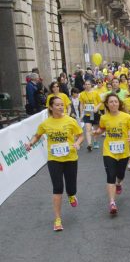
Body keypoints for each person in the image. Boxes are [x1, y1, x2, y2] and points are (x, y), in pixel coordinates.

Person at [24, 96, 83, 231]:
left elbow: (80, 135)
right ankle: (57, 219)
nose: (61, 107)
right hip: (54, 159)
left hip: (70, 158)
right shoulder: (46, 123)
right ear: (50, 107)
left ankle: (71, 195)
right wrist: (30, 143)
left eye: (62, 105)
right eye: (57, 105)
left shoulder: (70, 121)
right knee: (57, 188)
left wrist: (77, 143)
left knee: (71, 188)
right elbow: (37, 135)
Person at [96, 93, 130, 215]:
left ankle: (119, 183)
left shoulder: (126, 117)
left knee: (120, 174)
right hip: (109, 150)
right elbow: (102, 128)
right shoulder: (104, 118)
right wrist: (97, 131)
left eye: (116, 101)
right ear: (107, 104)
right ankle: (112, 202)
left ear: (119, 103)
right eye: (111, 102)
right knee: (110, 175)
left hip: (123, 151)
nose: (114, 104)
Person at [78, 79, 102, 152]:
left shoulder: (95, 93)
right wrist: (81, 113)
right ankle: (89, 145)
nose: (87, 85)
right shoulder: (82, 94)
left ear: (91, 85)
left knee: (95, 129)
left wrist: (96, 108)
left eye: (88, 84)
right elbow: (81, 104)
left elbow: (100, 102)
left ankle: (95, 141)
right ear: (84, 85)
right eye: (86, 84)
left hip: (95, 113)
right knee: (88, 129)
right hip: (87, 113)